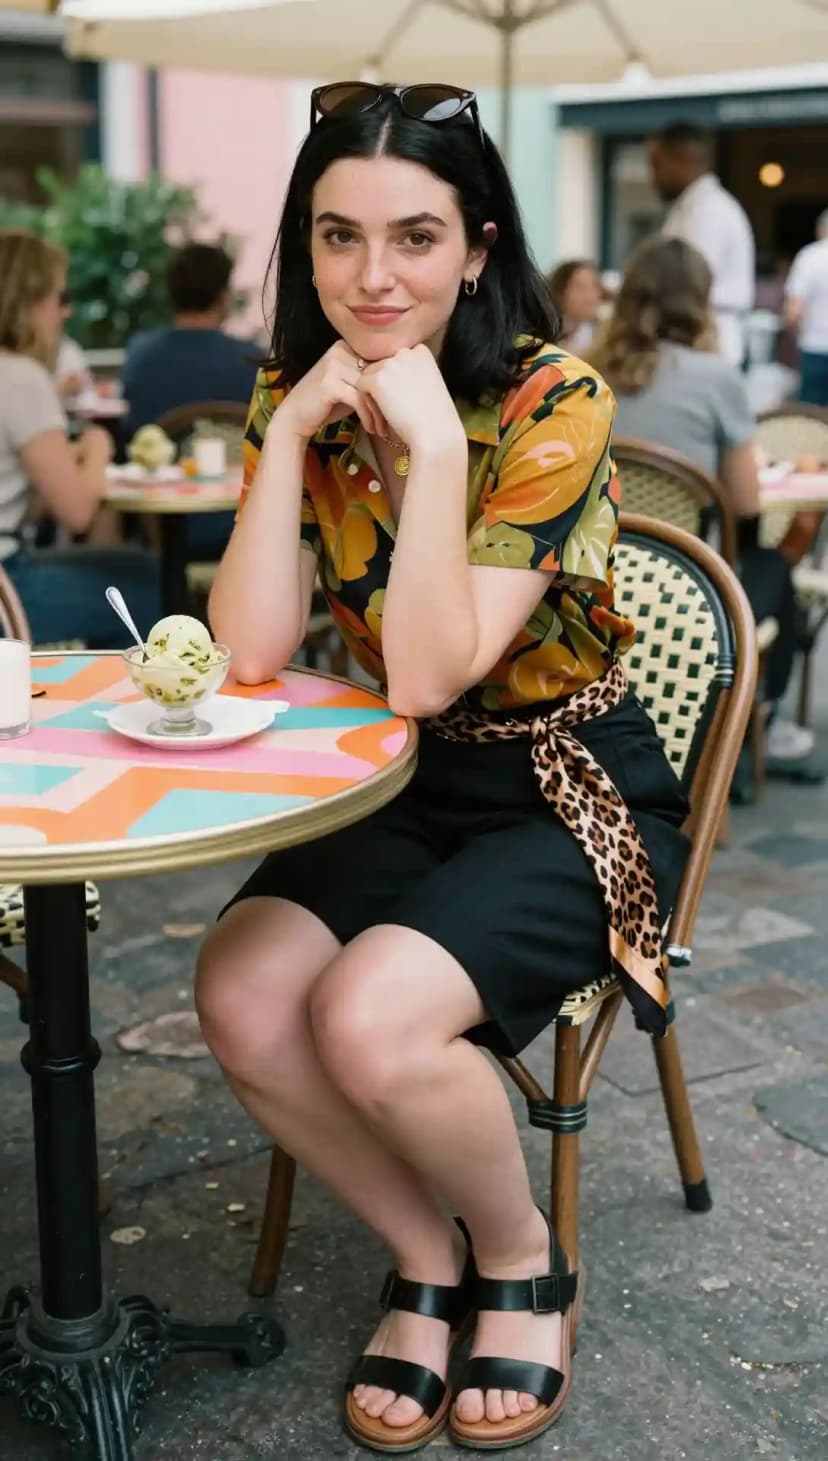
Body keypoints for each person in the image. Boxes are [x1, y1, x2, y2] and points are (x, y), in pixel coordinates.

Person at [195, 81, 691, 1454]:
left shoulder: (556, 398)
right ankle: (427, 1254)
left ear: (476, 245)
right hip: (402, 781)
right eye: (336, 237)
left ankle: (524, 1256)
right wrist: (291, 436)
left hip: (568, 781)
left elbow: (424, 670)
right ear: (303, 250)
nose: (372, 276)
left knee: (367, 1014)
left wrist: (421, 450)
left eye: (414, 237)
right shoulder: (295, 390)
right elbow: (249, 649)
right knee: (237, 989)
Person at [592, 234, 814, 765]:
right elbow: (745, 503)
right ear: (699, 303)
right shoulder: (716, 379)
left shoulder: (583, 368)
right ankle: (759, 722)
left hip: (590, 579)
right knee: (774, 570)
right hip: (684, 591)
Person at [0, 229, 159, 647]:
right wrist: (98, 448)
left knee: (131, 568)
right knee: (148, 582)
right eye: (59, 297)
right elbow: (78, 513)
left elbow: (29, 507)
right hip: (8, 585)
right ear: (29, 300)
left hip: (11, 566)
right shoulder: (19, 377)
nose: (65, 311)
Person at [122, 241, 259, 558]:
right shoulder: (255, 364)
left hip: (165, 531)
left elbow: (131, 438)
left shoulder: (141, 359)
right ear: (223, 296)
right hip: (247, 529)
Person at [649, 121, 755, 369]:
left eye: (657, 164)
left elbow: (687, 283)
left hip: (710, 343)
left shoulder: (710, 212)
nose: (652, 177)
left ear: (684, 160)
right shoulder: (692, 209)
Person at [785, 209, 828, 406]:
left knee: (813, 417)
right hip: (814, 344)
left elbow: (794, 310)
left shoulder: (810, 256)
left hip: (815, 344)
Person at [546, 259, 602, 354]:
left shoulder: (602, 336)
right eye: (581, 288)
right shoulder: (546, 336)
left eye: (595, 286)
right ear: (560, 293)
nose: (590, 297)